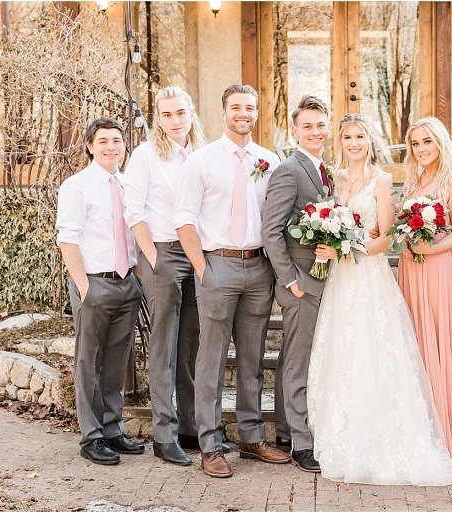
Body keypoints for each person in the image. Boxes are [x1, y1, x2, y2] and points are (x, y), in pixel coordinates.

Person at [307, 114, 452, 485]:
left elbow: (386, 238)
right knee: (343, 349)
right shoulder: (333, 179)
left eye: (360, 136)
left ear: (371, 140)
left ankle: (385, 437)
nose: (354, 143)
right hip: (339, 278)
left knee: (374, 350)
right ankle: (344, 432)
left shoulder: (383, 180)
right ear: (340, 142)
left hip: (369, 273)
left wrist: (346, 247)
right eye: (347, 137)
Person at [174, 84, 288, 478]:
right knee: (212, 360)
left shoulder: (270, 161)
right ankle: (209, 444)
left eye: (250, 107)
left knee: (252, 360)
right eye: (236, 107)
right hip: (217, 265)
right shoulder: (201, 161)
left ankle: (252, 438)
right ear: (223, 112)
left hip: (258, 268)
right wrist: (202, 269)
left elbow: (276, 218)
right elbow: (184, 220)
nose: (243, 113)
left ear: (257, 112)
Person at [123, 86, 209, 466]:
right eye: (167, 114)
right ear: (158, 118)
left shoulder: (202, 154)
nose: (175, 121)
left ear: (191, 113)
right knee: (163, 347)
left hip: (198, 254)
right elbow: (133, 211)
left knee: (190, 344)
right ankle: (163, 435)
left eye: (180, 113)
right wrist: (154, 260)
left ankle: (189, 427)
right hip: (163, 253)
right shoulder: (146, 156)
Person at [56, 118, 144, 465]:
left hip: (126, 283)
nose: (111, 147)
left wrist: (137, 280)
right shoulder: (76, 186)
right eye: (103, 141)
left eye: (116, 140)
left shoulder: (128, 185)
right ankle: (91, 437)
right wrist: (84, 286)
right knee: (89, 362)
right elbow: (68, 238)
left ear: (124, 146)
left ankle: (112, 429)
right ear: (90, 146)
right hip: (94, 283)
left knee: (116, 361)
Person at [396, 117, 452, 462]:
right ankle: (419, 427)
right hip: (409, 269)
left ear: (440, 142)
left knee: (438, 343)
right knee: (415, 341)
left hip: (435, 269)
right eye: (416, 143)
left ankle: (446, 432)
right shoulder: (413, 181)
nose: (421, 149)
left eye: (427, 141)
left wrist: (428, 249)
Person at [262, 95, 333, 473]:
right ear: (295, 130)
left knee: (297, 357)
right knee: (298, 362)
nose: (315, 131)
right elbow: (271, 231)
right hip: (301, 284)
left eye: (320, 125)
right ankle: (302, 445)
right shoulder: (288, 170)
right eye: (308, 126)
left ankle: (286, 432)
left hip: (322, 280)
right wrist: (291, 280)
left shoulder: (324, 170)